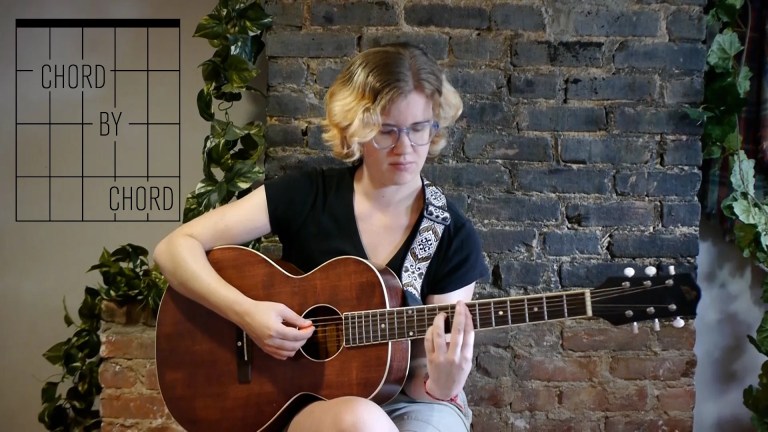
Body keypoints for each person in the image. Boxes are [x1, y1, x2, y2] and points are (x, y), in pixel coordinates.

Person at [153, 42, 488, 432]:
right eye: (386, 132)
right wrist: (246, 313)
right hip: (295, 399)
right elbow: (174, 249)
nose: (405, 148)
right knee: (360, 420)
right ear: (356, 129)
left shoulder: (450, 233)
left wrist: (441, 383)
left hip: (409, 400)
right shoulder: (306, 194)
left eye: (419, 130)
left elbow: (418, 379)